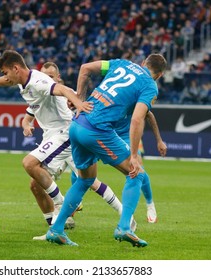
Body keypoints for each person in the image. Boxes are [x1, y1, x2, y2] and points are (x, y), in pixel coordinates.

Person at [46, 54, 167, 247]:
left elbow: (85, 68)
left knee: (85, 179)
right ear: (159, 75)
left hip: (78, 124)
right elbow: (137, 119)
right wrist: (134, 156)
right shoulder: (149, 86)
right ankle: (124, 227)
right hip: (97, 129)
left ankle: (56, 229)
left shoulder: (122, 63)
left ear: (143, 62)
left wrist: (79, 99)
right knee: (137, 174)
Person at [0, 50, 92, 238]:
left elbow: (63, 90)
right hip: (52, 138)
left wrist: (78, 103)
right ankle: (55, 224)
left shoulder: (39, 82)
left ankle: (64, 203)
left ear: (16, 68)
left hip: (66, 136)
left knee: (87, 180)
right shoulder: (25, 82)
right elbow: (8, 81)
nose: (5, 76)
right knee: (35, 185)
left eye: (5, 71)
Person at [22, 62, 134, 239]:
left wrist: (80, 107)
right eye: (44, 76)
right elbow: (27, 117)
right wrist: (26, 126)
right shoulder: (37, 94)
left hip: (69, 139)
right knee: (37, 183)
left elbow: (82, 104)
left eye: (51, 76)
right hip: (53, 142)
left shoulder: (64, 92)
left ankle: (125, 216)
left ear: (58, 78)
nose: (46, 79)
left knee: (90, 182)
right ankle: (56, 224)